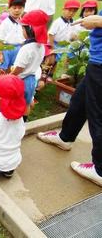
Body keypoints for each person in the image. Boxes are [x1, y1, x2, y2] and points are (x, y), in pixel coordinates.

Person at [37, 13, 102, 187]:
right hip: (96, 62)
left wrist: (97, 21)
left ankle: (100, 170)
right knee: (79, 102)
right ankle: (65, 137)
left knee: (97, 115)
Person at [11, 10, 49, 119]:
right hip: (31, 80)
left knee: (15, 105)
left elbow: (19, 69)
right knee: (26, 104)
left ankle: (13, 123)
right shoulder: (41, 46)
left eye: (23, 28)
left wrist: (9, 76)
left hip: (20, 81)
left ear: (30, 29)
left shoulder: (27, 48)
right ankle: (23, 122)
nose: (22, 30)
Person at [0, 0, 26, 71]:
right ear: (9, 8)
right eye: (14, 7)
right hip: (7, 49)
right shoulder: (5, 23)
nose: (17, 10)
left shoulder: (23, 22)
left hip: (19, 49)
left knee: (15, 68)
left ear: (23, 9)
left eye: (20, 8)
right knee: (4, 69)